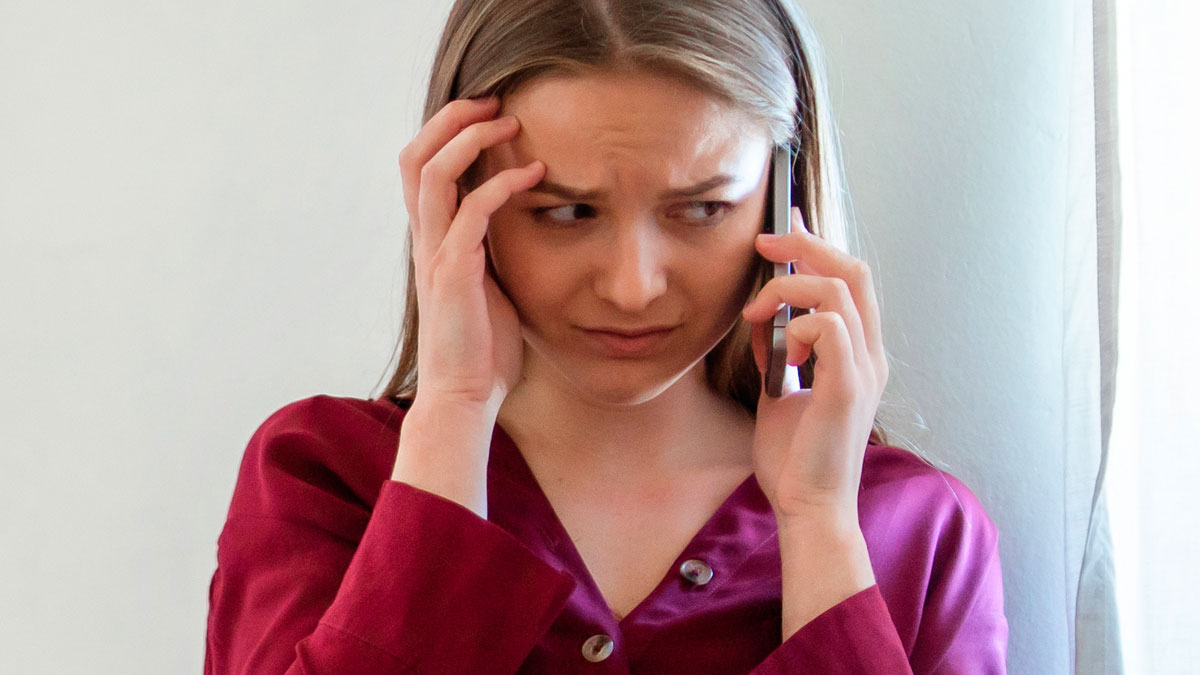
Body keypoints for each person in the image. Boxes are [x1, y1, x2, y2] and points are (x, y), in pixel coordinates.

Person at [204, 0, 1009, 672]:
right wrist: (452, 412)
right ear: (459, 196)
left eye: (701, 208)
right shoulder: (321, 477)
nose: (633, 286)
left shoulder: (920, 530)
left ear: (781, 192)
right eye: (565, 212)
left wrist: (818, 524)